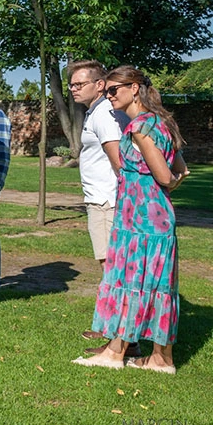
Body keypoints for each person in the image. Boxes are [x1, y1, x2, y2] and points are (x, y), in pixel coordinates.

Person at [74, 67, 187, 374]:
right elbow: (180, 169)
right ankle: (161, 359)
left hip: (139, 218)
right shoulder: (161, 122)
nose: (108, 95)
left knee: (129, 282)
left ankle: (114, 353)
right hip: (157, 216)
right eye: (107, 90)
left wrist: (168, 182)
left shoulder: (140, 127)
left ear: (134, 88)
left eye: (113, 90)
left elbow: (165, 175)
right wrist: (172, 183)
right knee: (157, 286)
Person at [67, 61, 135, 355]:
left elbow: (119, 160)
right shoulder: (96, 112)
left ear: (99, 85)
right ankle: (112, 328)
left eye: (79, 84)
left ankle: (123, 340)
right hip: (101, 199)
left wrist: (126, 198)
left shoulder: (104, 114)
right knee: (109, 270)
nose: (73, 89)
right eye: (71, 85)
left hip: (108, 201)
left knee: (113, 270)